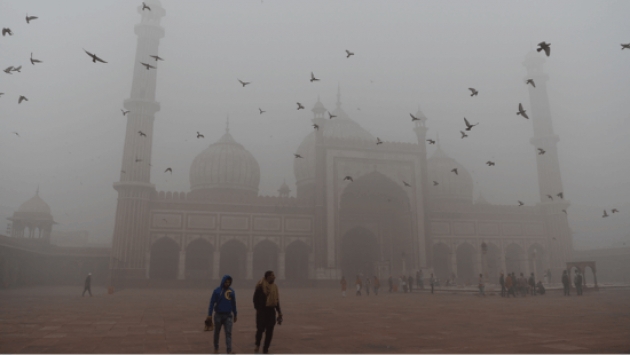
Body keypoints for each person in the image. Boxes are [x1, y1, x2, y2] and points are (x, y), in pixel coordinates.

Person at [253, 271, 282, 354]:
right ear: (267, 277)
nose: (273, 277)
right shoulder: (260, 286)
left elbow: (276, 301)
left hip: (271, 312)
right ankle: (257, 344)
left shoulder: (275, 287)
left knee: (269, 331)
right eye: (271, 276)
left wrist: (279, 312)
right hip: (261, 312)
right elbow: (255, 299)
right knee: (260, 330)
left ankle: (266, 348)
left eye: (274, 275)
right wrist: (258, 309)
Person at [208, 275, 237, 354]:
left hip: (228, 315)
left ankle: (229, 350)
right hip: (218, 315)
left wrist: (235, 314)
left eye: (229, 282)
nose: (227, 284)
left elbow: (233, 304)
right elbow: (212, 303)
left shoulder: (231, 292)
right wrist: (209, 315)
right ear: (223, 281)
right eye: (226, 282)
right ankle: (216, 347)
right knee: (217, 332)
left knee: (228, 333)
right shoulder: (217, 291)